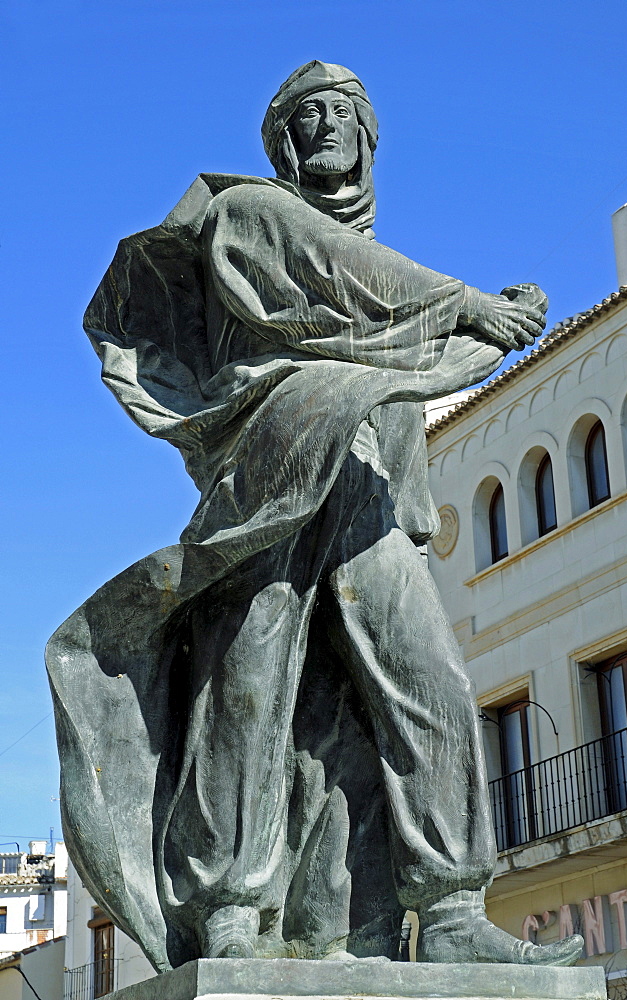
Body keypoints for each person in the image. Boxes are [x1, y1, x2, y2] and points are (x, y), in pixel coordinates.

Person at [46, 61, 583, 971]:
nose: (325, 125)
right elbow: (345, 271)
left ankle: (449, 908)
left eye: (343, 113)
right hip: (269, 486)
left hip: (364, 502)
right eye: (306, 116)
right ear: (282, 143)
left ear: (370, 139)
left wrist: (456, 334)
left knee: (430, 682)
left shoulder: (391, 316)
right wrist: (470, 309)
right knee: (244, 692)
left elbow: (381, 338)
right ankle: (229, 909)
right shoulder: (250, 216)